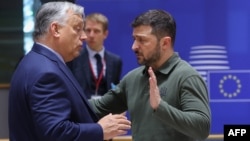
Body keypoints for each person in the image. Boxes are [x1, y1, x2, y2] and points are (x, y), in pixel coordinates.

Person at [8, 1, 130, 141]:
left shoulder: (36, 61)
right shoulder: (46, 73)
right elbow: (56, 132)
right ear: (55, 30)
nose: (84, 37)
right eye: (77, 28)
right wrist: (100, 130)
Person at [89, 9, 211, 141]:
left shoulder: (186, 77)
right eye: (134, 39)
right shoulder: (132, 79)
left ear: (165, 43)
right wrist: (66, 97)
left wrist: (160, 107)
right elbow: (96, 108)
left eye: (142, 40)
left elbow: (202, 128)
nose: (134, 46)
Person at [67, 13, 122, 99]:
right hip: (81, 109)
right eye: (88, 30)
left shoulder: (115, 61)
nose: (91, 35)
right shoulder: (74, 57)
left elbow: (115, 90)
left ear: (105, 34)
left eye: (96, 31)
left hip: (106, 110)